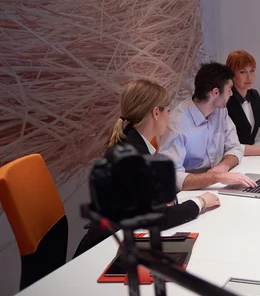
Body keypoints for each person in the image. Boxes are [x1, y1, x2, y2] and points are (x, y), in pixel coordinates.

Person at [74, 80, 220, 257]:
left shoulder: (131, 142)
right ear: (156, 113)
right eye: (167, 110)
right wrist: (200, 202)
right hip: (104, 252)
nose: (170, 115)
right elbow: (160, 218)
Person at [158, 62, 258, 191]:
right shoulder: (177, 124)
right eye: (229, 90)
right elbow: (171, 177)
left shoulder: (220, 111)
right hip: (190, 193)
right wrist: (216, 177)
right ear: (215, 92)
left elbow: (235, 147)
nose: (231, 94)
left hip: (217, 186)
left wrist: (223, 166)